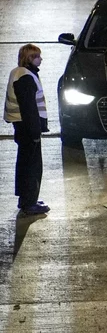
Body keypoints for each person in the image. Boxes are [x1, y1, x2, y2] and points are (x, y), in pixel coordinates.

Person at [4, 44, 49, 216]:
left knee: (24, 163)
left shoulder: (19, 72)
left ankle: (26, 200)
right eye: (37, 56)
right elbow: (29, 109)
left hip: (22, 127)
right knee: (32, 166)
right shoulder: (26, 77)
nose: (40, 59)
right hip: (28, 128)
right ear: (29, 59)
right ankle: (29, 203)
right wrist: (36, 132)